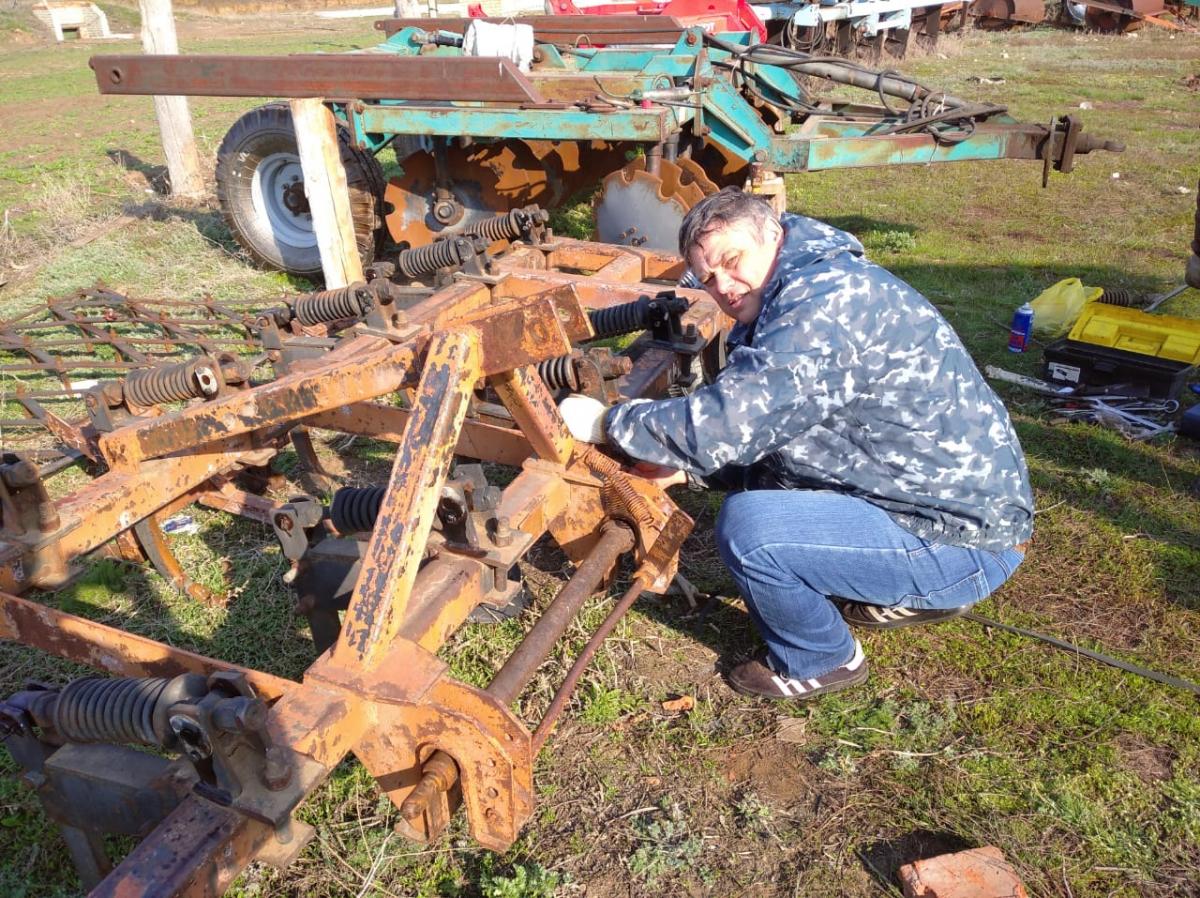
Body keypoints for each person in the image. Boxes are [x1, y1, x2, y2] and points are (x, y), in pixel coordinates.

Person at [559, 187, 1033, 701]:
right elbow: (794, 434)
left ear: (773, 235)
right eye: (708, 277)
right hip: (946, 510)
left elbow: (731, 423)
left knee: (752, 529)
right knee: (759, 507)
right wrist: (692, 471)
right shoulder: (809, 285)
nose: (724, 285)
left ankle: (821, 658)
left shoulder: (824, 306)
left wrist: (612, 425)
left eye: (732, 260)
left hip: (962, 541)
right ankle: (897, 585)